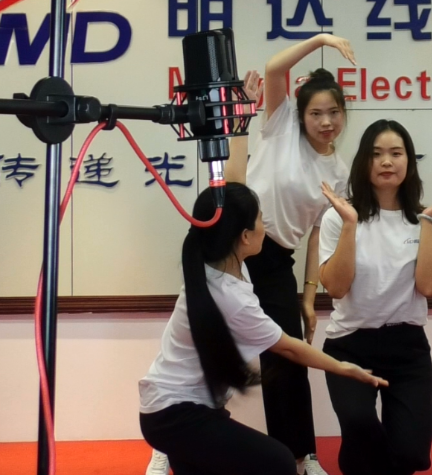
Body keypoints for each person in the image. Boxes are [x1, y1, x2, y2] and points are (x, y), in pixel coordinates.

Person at [138, 178, 387, 475]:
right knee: (278, 461)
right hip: (175, 415)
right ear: (245, 236)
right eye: (260, 219)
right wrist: (343, 367)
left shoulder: (220, 266)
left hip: (172, 410)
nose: (264, 227)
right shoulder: (230, 296)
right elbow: (289, 348)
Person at [228, 35, 355, 475]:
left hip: (276, 259)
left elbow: (318, 235)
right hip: (232, 248)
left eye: (333, 112)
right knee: (206, 344)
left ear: (343, 113)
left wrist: (309, 296)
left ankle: (300, 455)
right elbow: (274, 69)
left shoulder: (339, 172)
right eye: (316, 113)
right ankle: (168, 442)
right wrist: (321, 39)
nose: (326, 121)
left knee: (288, 356)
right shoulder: (281, 125)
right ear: (300, 114)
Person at [318, 119, 432, 475]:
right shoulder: (339, 217)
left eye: (396, 153)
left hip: (407, 348)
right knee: (360, 428)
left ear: (409, 161)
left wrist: (427, 223)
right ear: (363, 162)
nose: (387, 162)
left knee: (411, 455)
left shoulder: (426, 220)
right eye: (377, 154)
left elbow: (430, 287)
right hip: (350, 345)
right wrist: (350, 225)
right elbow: (336, 287)